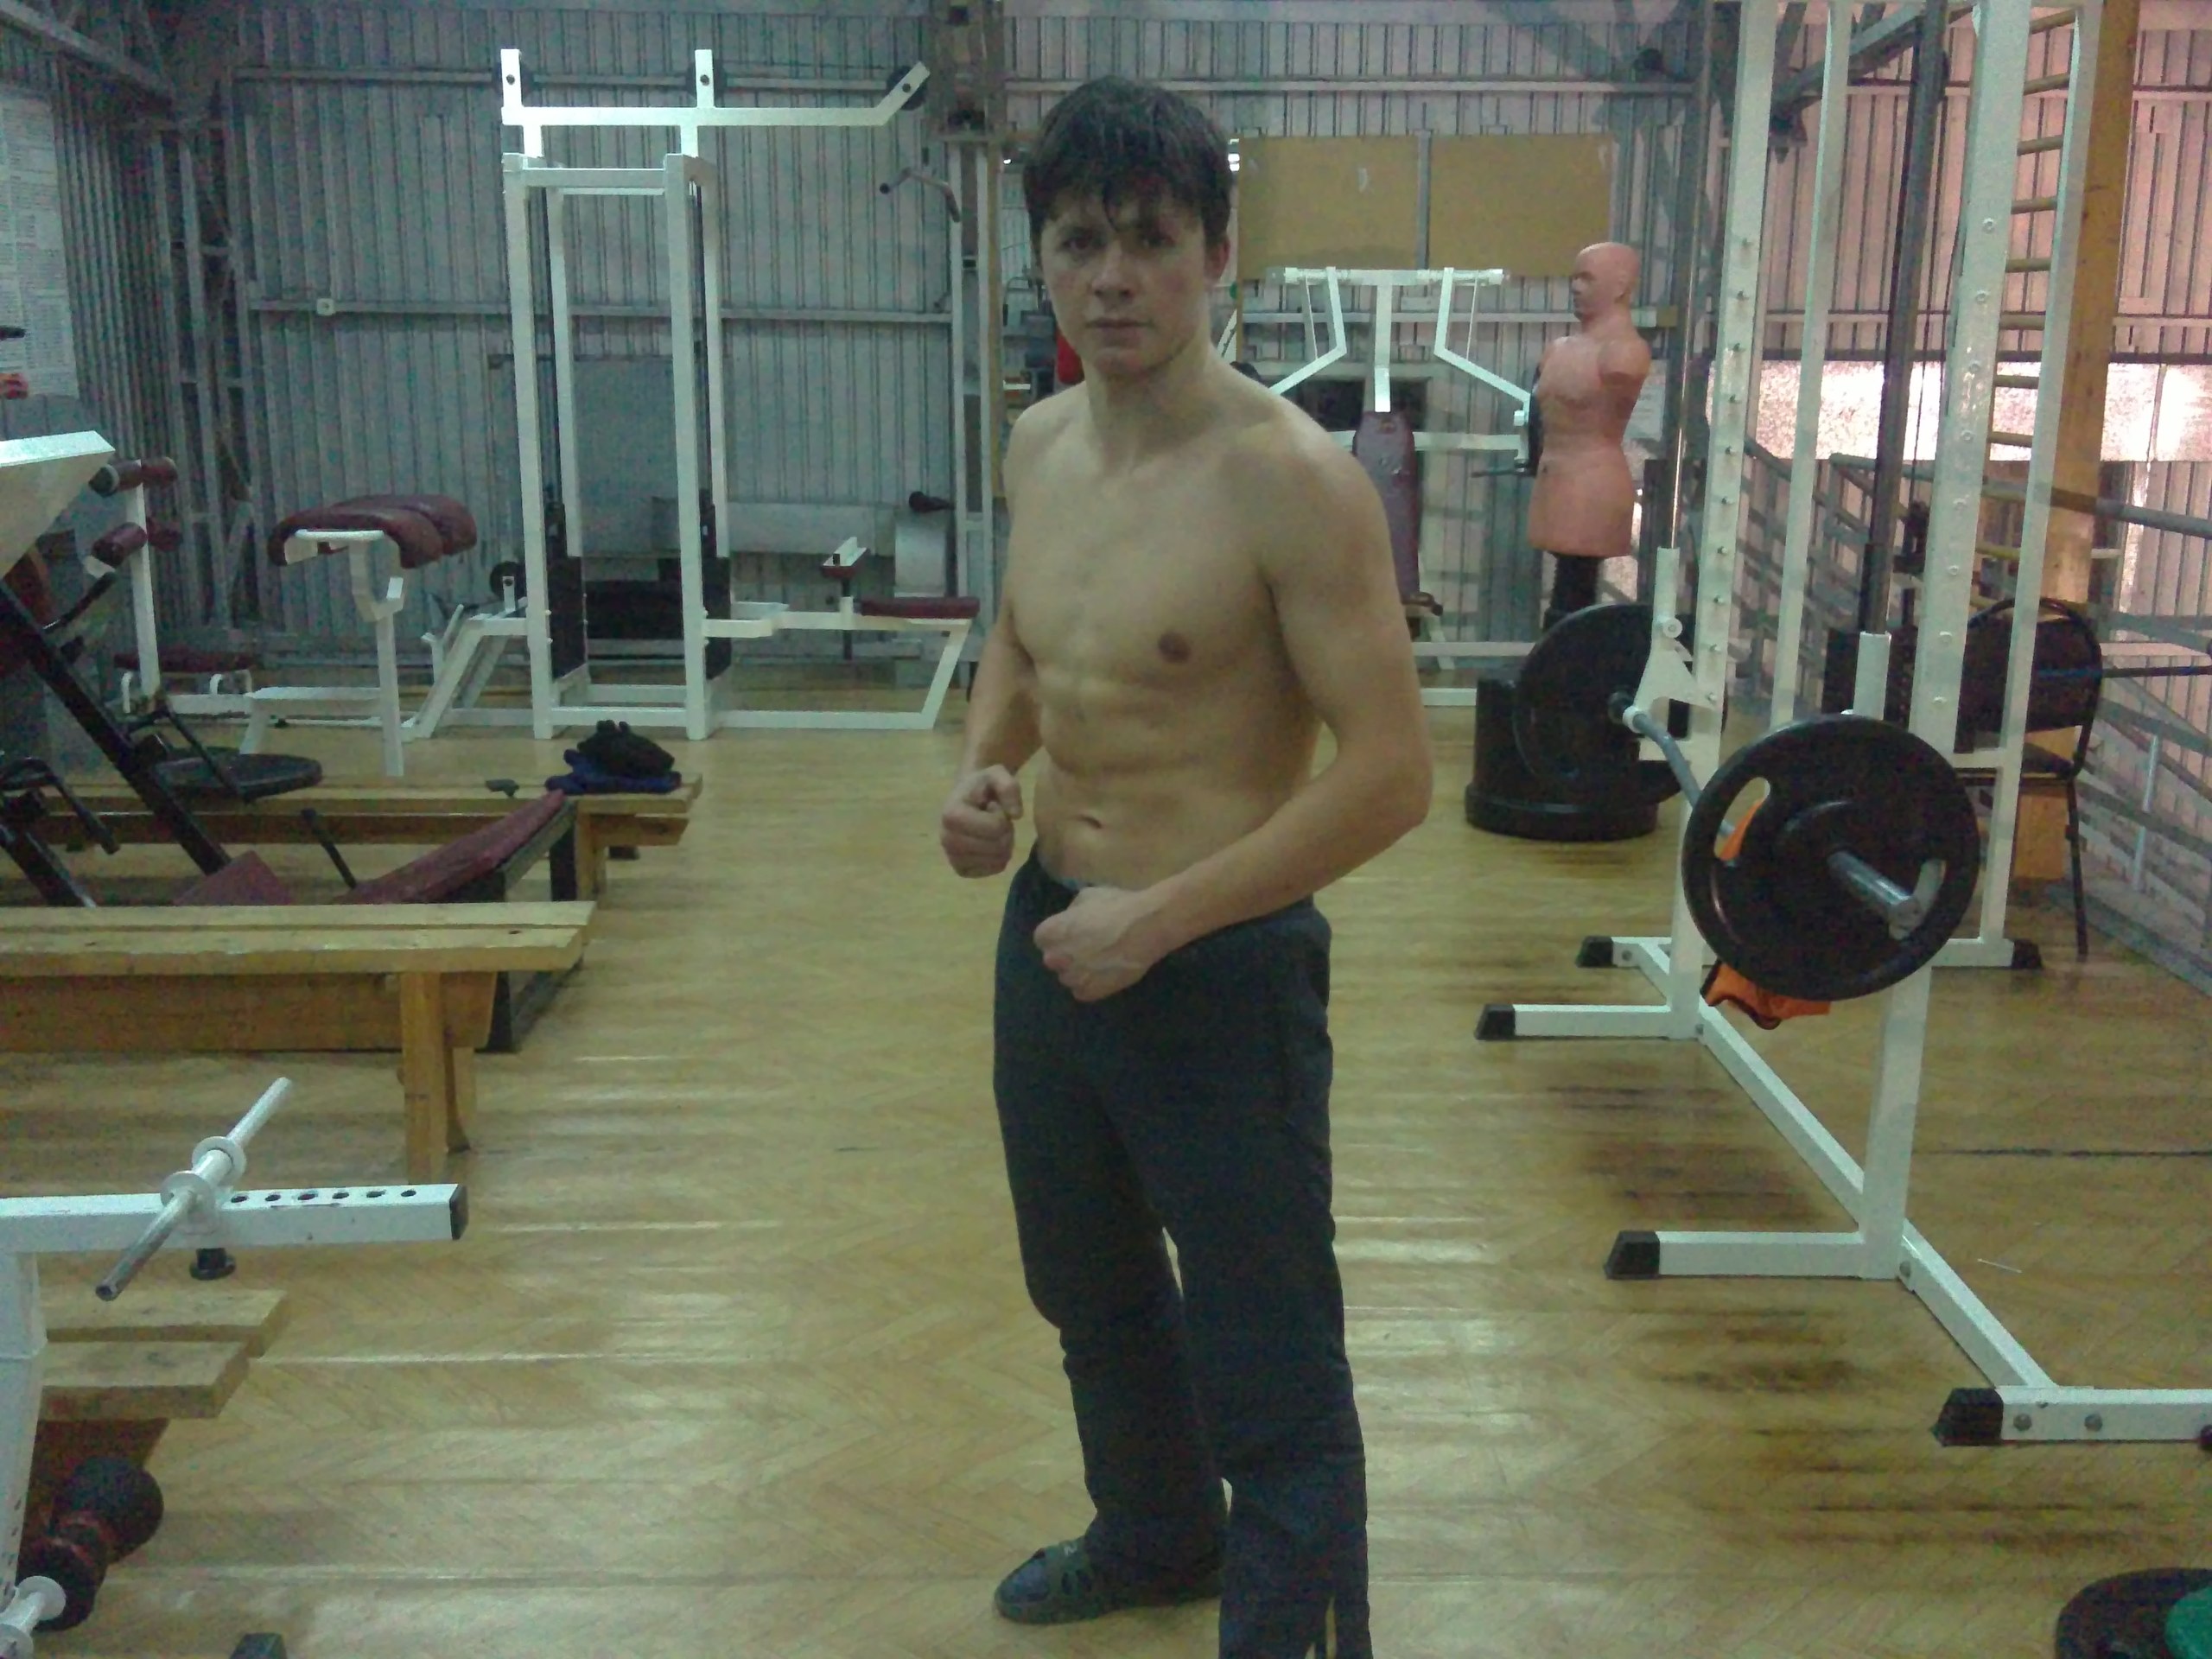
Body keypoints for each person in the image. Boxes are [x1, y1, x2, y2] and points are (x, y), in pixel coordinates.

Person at [935, 76, 1433, 1659]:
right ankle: (1157, 1535)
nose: (1112, 279)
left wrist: (1159, 921)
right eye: (1079, 243)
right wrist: (985, 771)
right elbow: (1025, 641)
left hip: (1216, 961)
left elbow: (1394, 775)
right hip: (1052, 939)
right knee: (1087, 1287)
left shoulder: (1293, 480)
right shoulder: (1036, 444)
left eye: (1152, 241)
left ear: (1218, 255)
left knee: (1270, 1351)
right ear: (1041, 257)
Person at [1527, 241, 1652, 632]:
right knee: (1565, 588)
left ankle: (1571, 649)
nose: (1576, 287)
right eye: (1574, 279)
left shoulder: (1623, 354)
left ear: (1619, 286)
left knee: (1575, 589)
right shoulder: (1557, 349)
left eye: (1587, 278)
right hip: (1554, 480)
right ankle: (1560, 649)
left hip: (1592, 484)